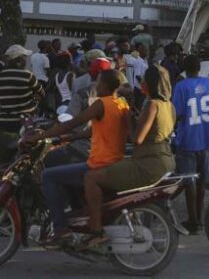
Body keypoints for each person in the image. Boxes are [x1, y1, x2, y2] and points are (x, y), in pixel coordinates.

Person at [30, 70, 130, 247]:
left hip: (100, 164)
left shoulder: (101, 104)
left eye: (98, 83)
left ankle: (60, 229)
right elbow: (95, 130)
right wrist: (67, 138)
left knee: (49, 176)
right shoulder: (121, 104)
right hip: (113, 161)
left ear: (105, 86)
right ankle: (78, 219)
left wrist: (39, 137)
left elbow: (72, 123)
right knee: (67, 176)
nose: (95, 86)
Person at [84, 64, 176, 238]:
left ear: (149, 84)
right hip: (166, 159)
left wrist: (128, 120)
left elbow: (137, 139)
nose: (141, 86)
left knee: (91, 178)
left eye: (144, 82)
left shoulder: (152, 104)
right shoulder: (168, 105)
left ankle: (95, 230)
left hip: (148, 163)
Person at [172, 54, 209, 234]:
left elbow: (176, 114)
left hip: (187, 140)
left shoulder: (181, 86)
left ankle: (192, 221)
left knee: (189, 181)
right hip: (206, 138)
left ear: (184, 69)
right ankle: (199, 218)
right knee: (201, 181)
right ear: (199, 68)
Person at [0, 45, 45, 135]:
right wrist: (33, 97)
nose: (26, 59)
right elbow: (42, 93)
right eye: (25, 57)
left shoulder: (1, 75)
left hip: (3, 121)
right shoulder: (27, 75)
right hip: (23, 122)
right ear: (19, 59)